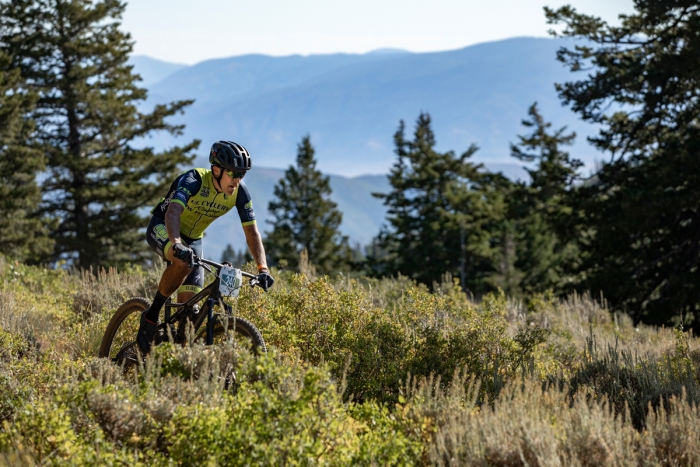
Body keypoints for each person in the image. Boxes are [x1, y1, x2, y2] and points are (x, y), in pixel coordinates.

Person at [136, 140, 274, 354]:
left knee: (190, 314)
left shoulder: (240, 193)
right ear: (217, 170)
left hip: (193, 239)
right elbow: (172, 213)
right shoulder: (193, 180)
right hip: (164, 227)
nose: (237, 180)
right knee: (182, 263)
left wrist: (262, 268)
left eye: (242, 175)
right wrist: (177, 244)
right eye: (233, 174)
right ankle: (151, 318)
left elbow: (252, 233)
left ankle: (176, 355)